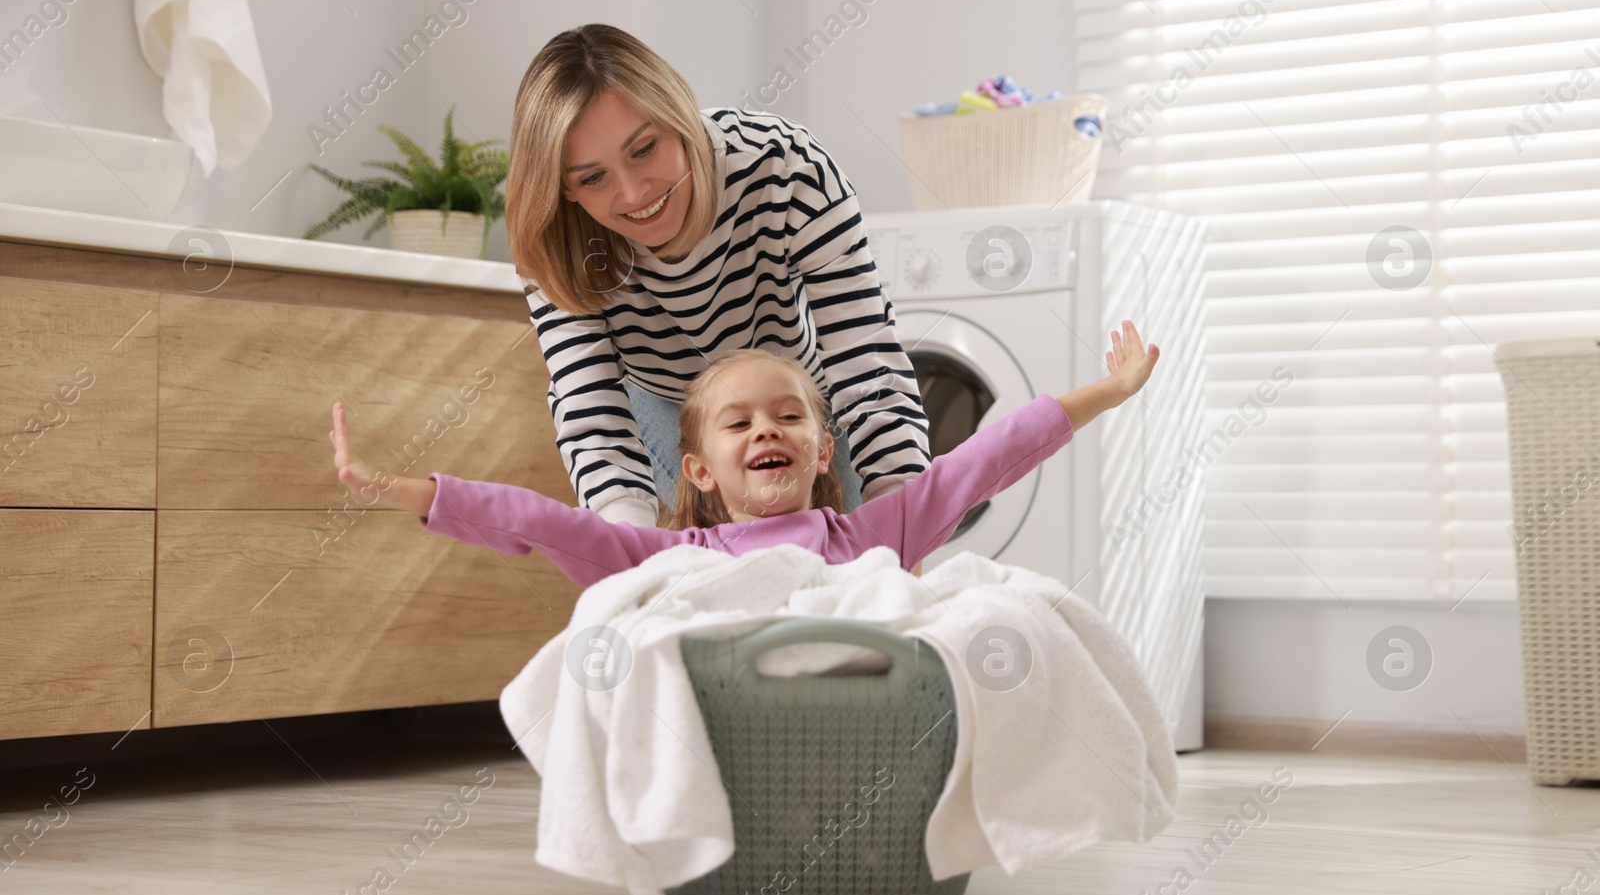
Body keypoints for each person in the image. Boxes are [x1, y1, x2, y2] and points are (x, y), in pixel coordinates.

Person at [327, 322, 1159, 587]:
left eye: (788, 415)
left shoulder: (877, 535)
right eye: (738, 424)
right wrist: (395, 488)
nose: (766, 429)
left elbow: (990, 455)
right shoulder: (670, 558)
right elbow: (534, 520)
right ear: (699, 470)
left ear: (822, 450)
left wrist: (1110, 392)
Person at [504, 23, 931, 530]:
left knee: (859, 556)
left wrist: (903, 528)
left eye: (644, 149)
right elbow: (593, 417)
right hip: (666, 405)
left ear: (680, 118)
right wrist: (629, 561)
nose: (635, 192)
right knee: (737, 564)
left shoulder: (786, 167)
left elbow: (869, 369)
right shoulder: (555, 239)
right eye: (593, 178)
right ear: (566, 189)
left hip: (804, 399)